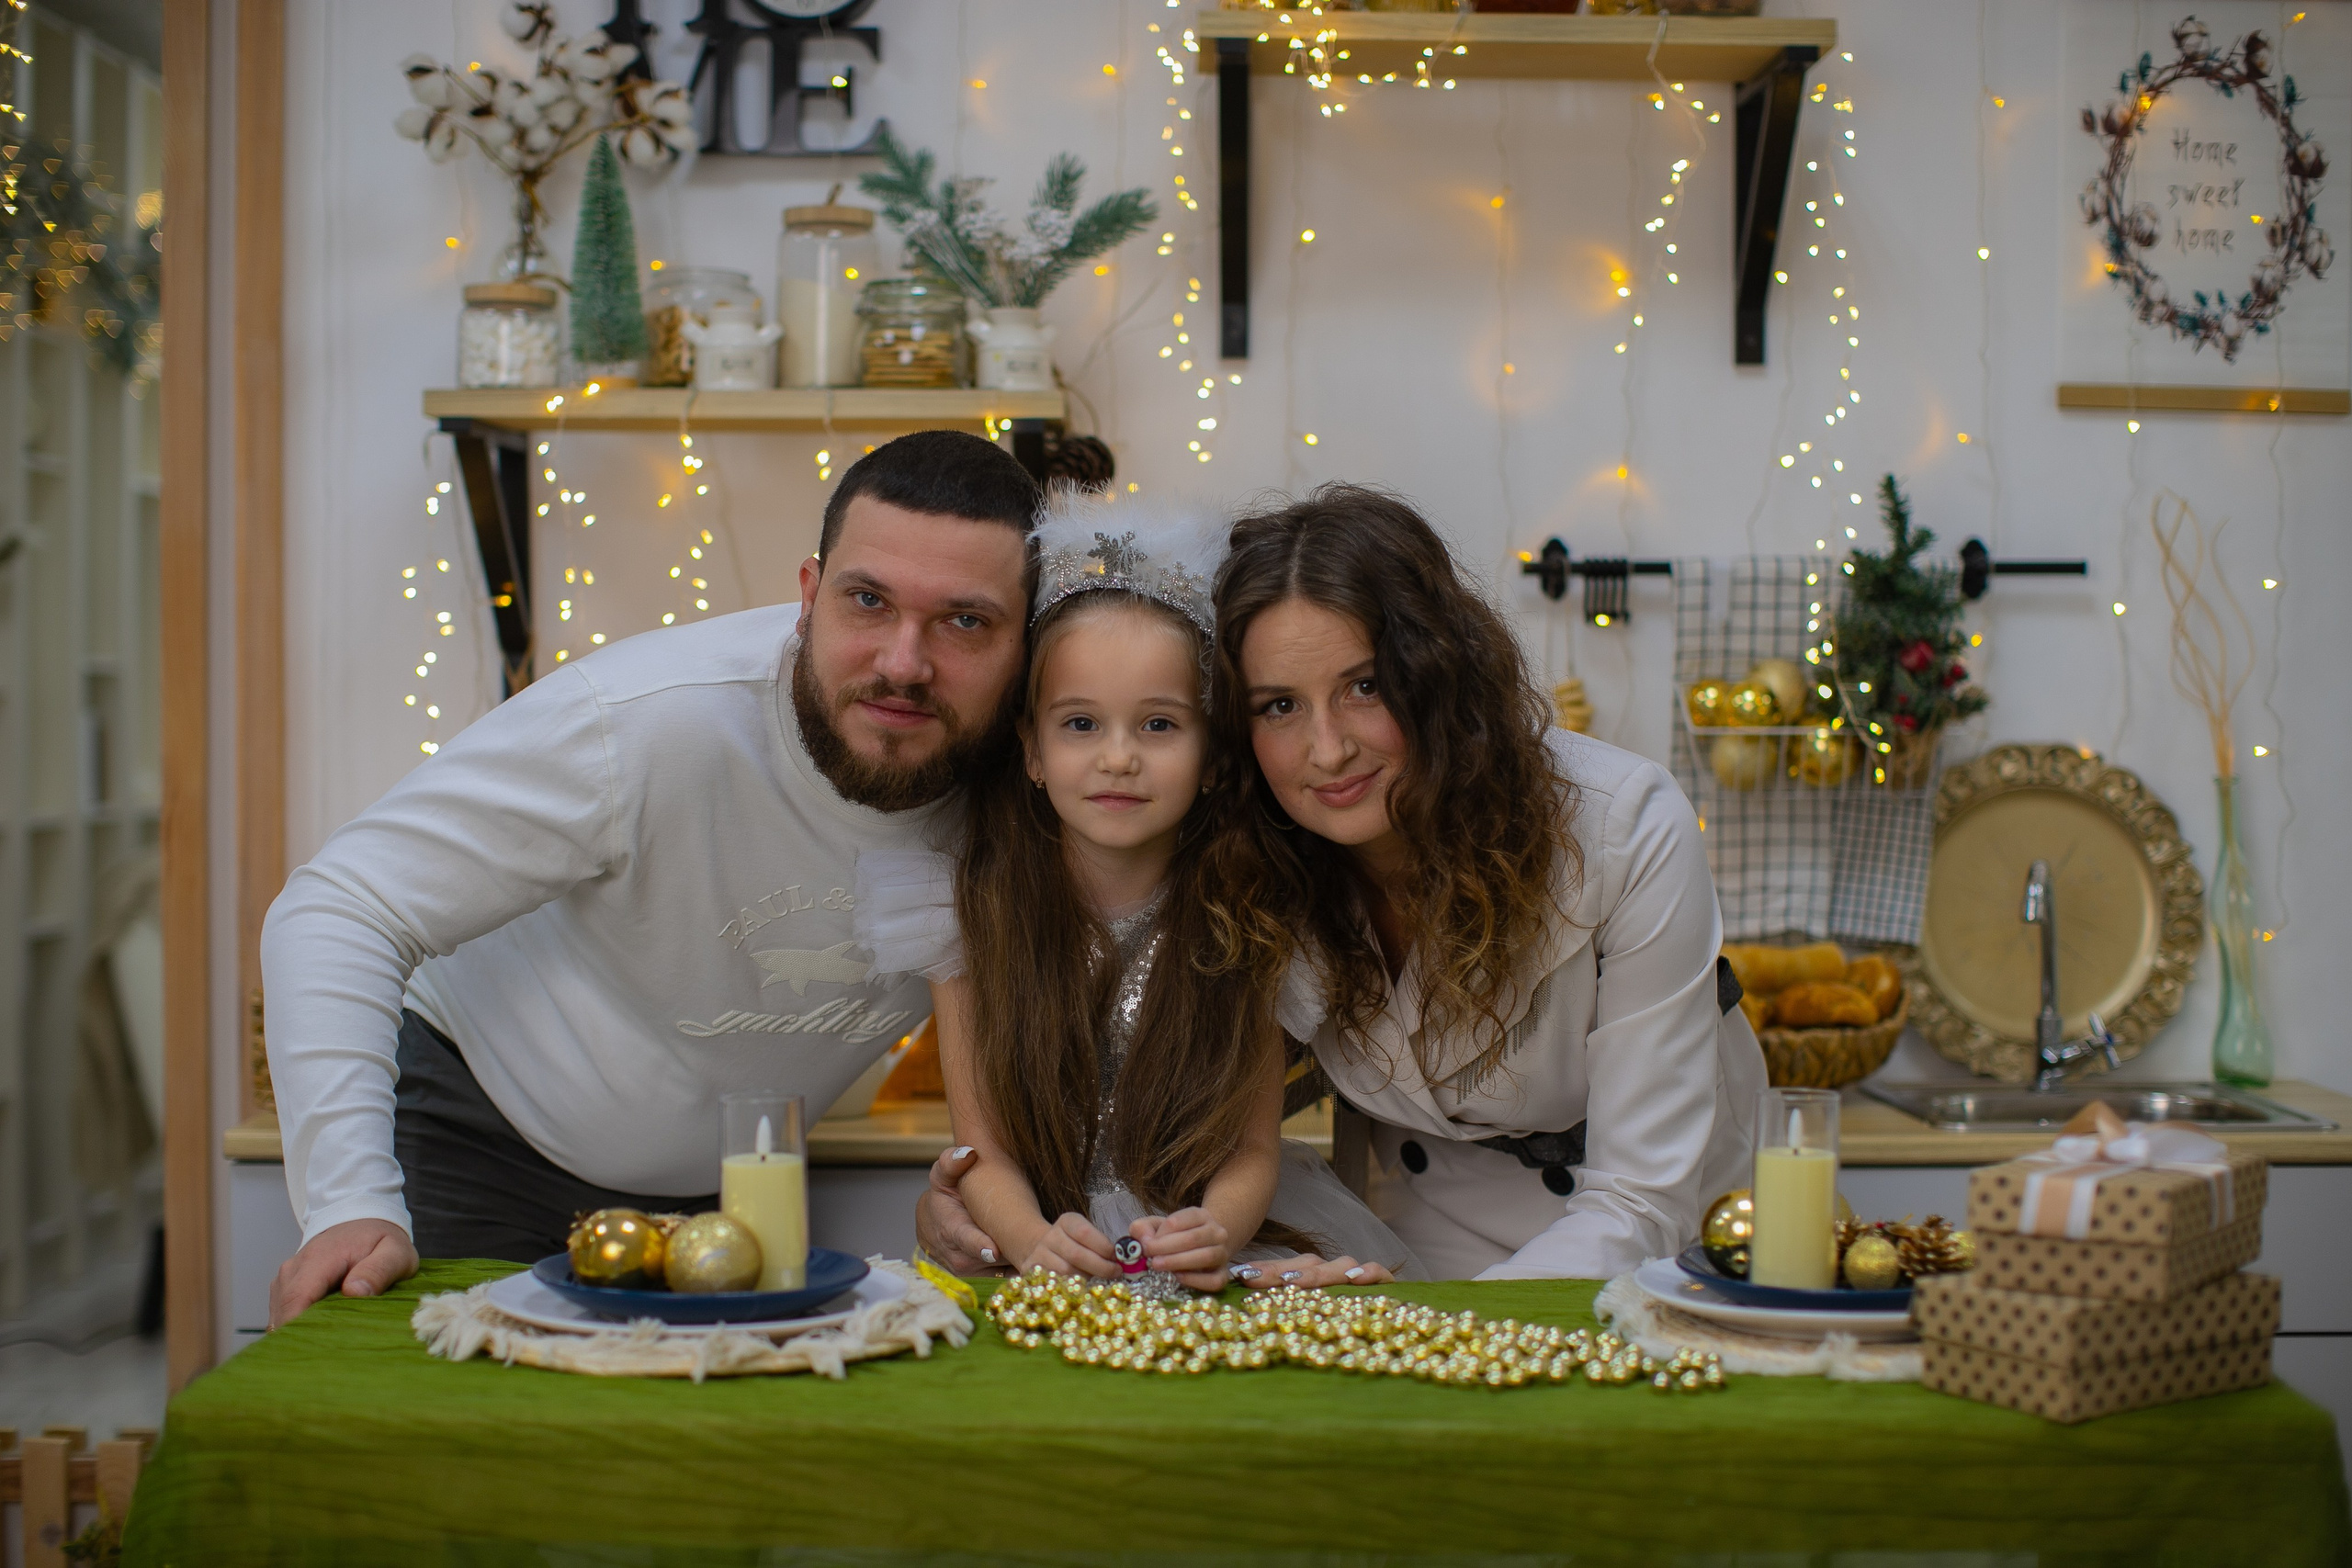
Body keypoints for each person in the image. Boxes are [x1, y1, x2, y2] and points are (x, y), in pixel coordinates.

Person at [260, 430, 1037, 1325]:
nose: (904, 662)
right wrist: (349, 1202)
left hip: (734, 1198)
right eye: (867, 601)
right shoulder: (644, 725)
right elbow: (342, 905)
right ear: (808, 596)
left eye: (965, 621)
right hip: (471, 1145)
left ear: (1027, 645)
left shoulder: (1051, 777)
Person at [919, 484, 1763, 1281]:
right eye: (1280, 705)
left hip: (1663, 1244)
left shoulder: (1623, 826)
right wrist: (977, 1206)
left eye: (1364, 687)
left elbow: (1644, 1199)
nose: (1328, 750)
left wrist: (1435, 1325)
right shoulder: (1258, 863)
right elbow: (1149, 1094)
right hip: (1411, 1239)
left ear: (1437, 673)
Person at [855, 495, 1419, 1290]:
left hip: (1214, 1257)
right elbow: (980, 1148)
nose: (1119, 758)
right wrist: (1029, 1241)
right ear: (1033, 749)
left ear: (1215, 756)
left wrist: (1216, 1227)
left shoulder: (1252, 916)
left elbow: (1254, 1148)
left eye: (1158, 725)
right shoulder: (966, 912)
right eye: (1082, 725)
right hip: (1044, 1253)